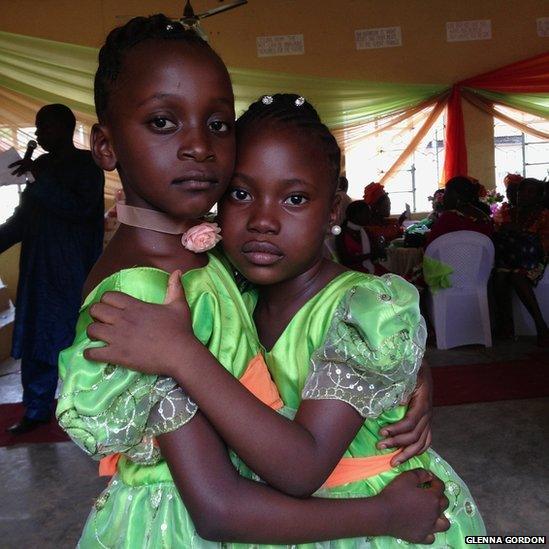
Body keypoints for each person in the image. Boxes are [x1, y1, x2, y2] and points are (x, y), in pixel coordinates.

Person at [57, 16, 447, 548]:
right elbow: (219, 508)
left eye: (217, 124)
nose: (198, 146)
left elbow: (305, 329)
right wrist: (383, 515)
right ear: (105, 146)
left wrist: (407, 371)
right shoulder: (146, 300)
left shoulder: (211, 258)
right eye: (163, 122)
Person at [0, 103, 104, 434]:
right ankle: (36, 408)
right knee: (35, 341)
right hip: (38, 271)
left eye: (46, 127)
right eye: (38, 127)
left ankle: (90, 411)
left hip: (73, 271)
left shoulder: (88, 165)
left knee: (78, 342)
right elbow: (23, 220)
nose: (40, 134)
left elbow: (81, 210)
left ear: (67, 128)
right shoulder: (41, 167)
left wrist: (42, 178)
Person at [493, 177, 549, 345]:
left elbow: (544, 244)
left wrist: (521, 233)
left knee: (517, 276)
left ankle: (541, 326)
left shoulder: (544, 214)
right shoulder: (509, 211)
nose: (523, 195)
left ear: (539, 196)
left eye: (530, 192)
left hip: (536, 260)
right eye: (520, 191)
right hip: (510, 259)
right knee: (498, 277)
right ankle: (506, 327)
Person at [425, 176, 493, 246]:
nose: (443, 197)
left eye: (446, 192)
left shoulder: (449, 217)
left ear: (455, 196)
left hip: (452, 256)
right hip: (481, 256)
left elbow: (431, 243)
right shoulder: (484, 216)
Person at [336, 200, 375, 272]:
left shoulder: (365, 231)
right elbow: (346, 260)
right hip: (353, 272)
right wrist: (370, 255)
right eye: (366, 213)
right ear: (356, 215)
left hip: (367, 268)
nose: (369, 216)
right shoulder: (342, 233)